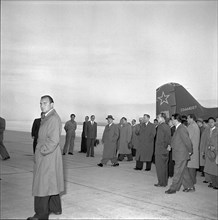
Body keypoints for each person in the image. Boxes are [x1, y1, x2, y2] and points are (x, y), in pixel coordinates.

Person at [27, 95, 64, 220]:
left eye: (45, 103)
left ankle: (41, 215)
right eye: (41, 103)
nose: (42, 105)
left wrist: (41, 152)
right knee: (51, 181)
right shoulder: (47, 117)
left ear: (51, 105)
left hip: (47, 155)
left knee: (42, 184)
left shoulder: (52, 118)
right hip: (50, 154)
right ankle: (55, 208)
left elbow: (53, 140)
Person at [165, 113, 194, 194]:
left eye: (172, 119)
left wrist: (190, 151)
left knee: (177, 172)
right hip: (179, 153)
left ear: (176, 120)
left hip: (181, 154)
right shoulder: (178, 128)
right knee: (184, 171)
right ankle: (190, 186)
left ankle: (173, 188)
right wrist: (171, 145)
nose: (171, 121)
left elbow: (187, 141)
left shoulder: (181, 129)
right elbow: (177, 140)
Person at [154, 113, 171, 187]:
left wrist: (164, 146)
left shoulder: (160, 127)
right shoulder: (167, 126)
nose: (157, 119)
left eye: (158, 117)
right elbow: (168, 138)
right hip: (165, 150)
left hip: (160, 150)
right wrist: (167, 146)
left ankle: (161, 182)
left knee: (160, 167)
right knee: (164, 167)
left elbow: (161, 140)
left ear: (162, 118)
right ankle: (164, 182)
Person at [201, 117, 218, 190]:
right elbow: (204, 141)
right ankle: (213, 182)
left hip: (215, 152)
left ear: (215, 122)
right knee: (209, 169)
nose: (211, 123)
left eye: (212, 122)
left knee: (215, 169)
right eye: (209, 122)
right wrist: (203, 151)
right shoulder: (206, 130)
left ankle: (216, 184)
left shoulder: (217, 130)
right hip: (208, 152)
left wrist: (215, 148)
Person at [187, 114, 200, 188]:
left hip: (191, 150)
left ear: (192, 118)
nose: (187, 120)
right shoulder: (195, 125)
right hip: (194, 149)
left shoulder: (191, 126)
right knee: (192, 167)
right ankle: (193, 181)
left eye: (188, 118)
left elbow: (188, 138)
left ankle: (191, 183)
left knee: (190, 167)